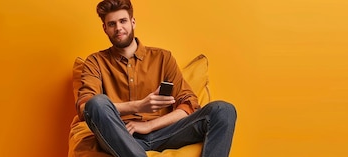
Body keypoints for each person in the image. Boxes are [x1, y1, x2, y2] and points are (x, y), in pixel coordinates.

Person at [76, 0, 237, 156]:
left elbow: (189, 104)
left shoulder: (163, 58)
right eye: (112, 24)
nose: (118, 28)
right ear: (105, 28)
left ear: (133, 22)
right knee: (96, 103)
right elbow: (85, 109)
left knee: (223, 110)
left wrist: (149, 126)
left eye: (123, 21)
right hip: (121, 135)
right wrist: (138, 106)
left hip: (165, 133)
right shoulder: (95, 61)